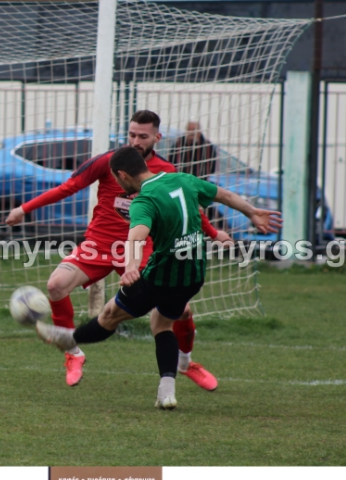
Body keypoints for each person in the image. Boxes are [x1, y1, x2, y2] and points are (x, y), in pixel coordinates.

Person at [36, 145, 281, 409]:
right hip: (194, 274)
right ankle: (167, 392)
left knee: (109, 316)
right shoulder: (183, 179)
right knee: (162, 325)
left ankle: (69, 339)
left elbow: (136, 237)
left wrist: (131, 266)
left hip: (160, 276)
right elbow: (226, 195)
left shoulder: (144, 200)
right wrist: (252, 212)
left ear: (122, 175)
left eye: (116, 178)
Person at [6, 110, 232, 388]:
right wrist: (24, 209)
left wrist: (213, 233)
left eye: (143, 136)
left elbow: (190, 209)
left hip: (143, 249)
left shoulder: (167, 171)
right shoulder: (109, 161)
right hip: (99, 244)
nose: (136, 141)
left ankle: (185, 363)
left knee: (182, 310)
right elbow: (69, 187)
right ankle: (73, 353)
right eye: (132, 134)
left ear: (157, 138)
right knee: (56, 285)